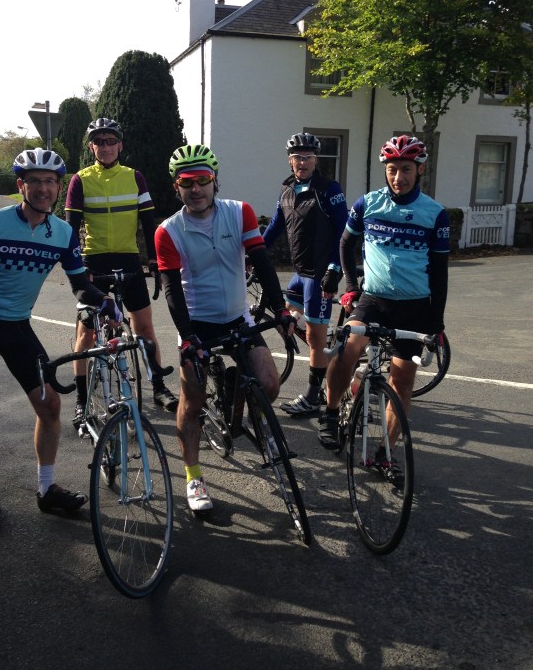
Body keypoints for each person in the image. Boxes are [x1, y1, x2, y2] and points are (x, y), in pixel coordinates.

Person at [0, 149, 123, 522]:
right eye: (35, 181)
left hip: (17, 326)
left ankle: (46, 489)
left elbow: (80, 286)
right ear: (21, 185)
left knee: (49, 405)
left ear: (59, 187)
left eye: (50, 182)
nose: (43, 188)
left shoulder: (62, 233)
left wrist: (104, 303)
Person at [155, 144, 294, 513]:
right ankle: (194, 475)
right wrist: (188, 338)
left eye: (203, 180)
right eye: (188, 182)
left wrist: (280, 311)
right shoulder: (168, 231)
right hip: (197, 322)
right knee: (193, 400)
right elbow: (171, 290)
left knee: (268, 383)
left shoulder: (239, 213)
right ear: (177, 188)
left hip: (237, 317)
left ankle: (244, 406)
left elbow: (262, 263)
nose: (196, 188)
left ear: (215, 181)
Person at [320, 135, 450, 451]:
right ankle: (331, 411)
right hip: (373, 299)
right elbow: (345, 243)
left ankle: (386, 452)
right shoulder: (368, 204)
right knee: (348, 349)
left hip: (415, 306)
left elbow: (439, 272)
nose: (398, 177)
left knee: (402, 382)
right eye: (392, 169)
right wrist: (351, 286)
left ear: (420, 169)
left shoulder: (434, 213)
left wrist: (436, 321)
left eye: (406, 169)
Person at [65, 117, 177, 427]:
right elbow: (70, 228)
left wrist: (153, 259)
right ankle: (80, 401)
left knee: (143, 326)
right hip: (93, 261)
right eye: (99, 141)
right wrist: (77, 268)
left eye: (110, 140)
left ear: (120, 145)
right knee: (87, 333)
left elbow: (148, 222)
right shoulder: (80, 179)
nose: (105, 146)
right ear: (92, 147)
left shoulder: (135, 177)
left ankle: (158, 387)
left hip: (128, 259)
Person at [263, 132, 348, 416]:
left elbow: (344, 233)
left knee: (314, 335)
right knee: (286, 318)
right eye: (298, 157)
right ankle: (325, 349)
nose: (303, 161)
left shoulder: (329, 189)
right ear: (290, 161)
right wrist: (254, 255)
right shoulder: (286, 190)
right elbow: (275, 227)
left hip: (321, 274)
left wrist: (335, 271)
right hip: (301, 273)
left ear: (316, 160)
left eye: (309, 157)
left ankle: (315, 396)